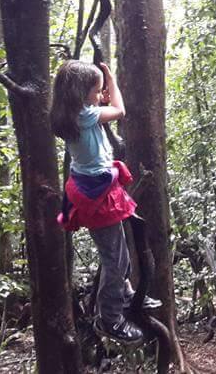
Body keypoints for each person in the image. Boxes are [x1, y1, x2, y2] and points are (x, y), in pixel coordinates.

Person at [50, 60, 160, 344]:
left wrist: (101, 91)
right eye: (97, 91)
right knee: (115, 259)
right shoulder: (84, 115)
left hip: (95, 186)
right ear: (81, 93)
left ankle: (123, 295)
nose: (101, 95)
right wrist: (112, 78)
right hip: (96, 194)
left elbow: (105, 109)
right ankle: (109, 319)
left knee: (119, 255)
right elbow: (121, 111)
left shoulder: (75, 114)